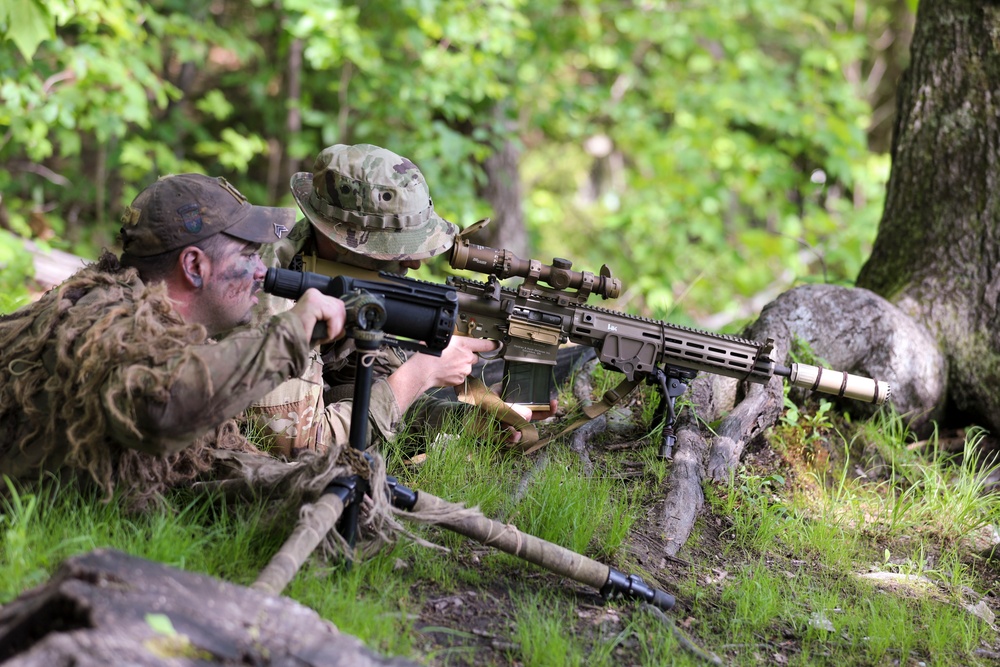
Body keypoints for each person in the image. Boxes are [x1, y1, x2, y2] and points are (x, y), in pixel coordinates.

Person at [0, 173, 348, 507]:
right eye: (248, 255)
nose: (262, 270)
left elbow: (199, 468)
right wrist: (290, 335)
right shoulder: (104, 324)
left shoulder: (145, 321)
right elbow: (161, 405)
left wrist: (306, 483)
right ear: (194, 266)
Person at [249, 143, 551, 457]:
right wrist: (422, 372)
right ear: (336, 238)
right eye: (395, 248)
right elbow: (300, 446)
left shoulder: (347, 284)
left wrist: (471, 422)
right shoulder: (266, 296)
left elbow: (367, 396)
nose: (414, 263)